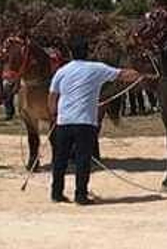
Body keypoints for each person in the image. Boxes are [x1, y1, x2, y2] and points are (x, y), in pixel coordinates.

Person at [47, 37, 144, 205]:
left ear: (71, 53)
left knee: (60, 159)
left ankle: (56, 193)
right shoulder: (96, 68)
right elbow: (122, 75)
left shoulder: (61, 71)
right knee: (83, 160)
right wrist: (141, 73)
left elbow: (52, 97)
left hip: (64, 121)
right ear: (88, 52)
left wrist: (54, 115)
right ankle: (81, 195)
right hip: (85, 122)